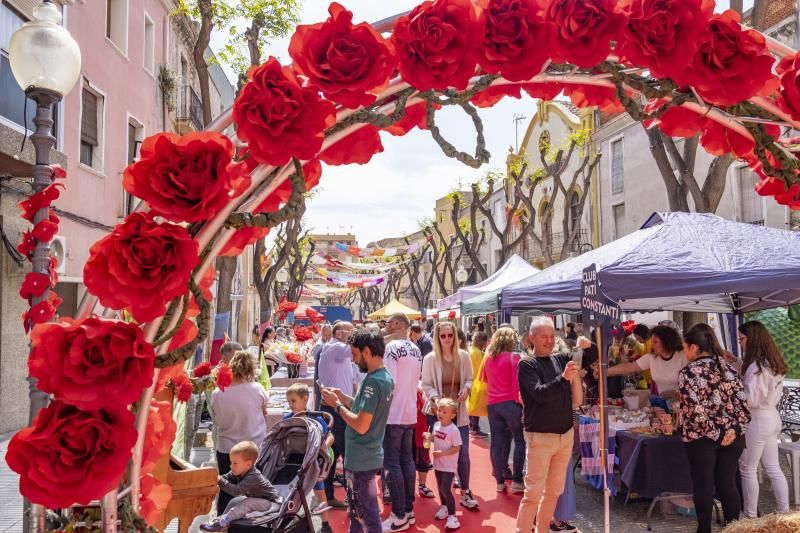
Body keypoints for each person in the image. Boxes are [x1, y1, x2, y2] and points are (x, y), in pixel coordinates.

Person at [679, 324, 750, 533]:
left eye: (684, 347)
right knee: (727, 483)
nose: (684, 352)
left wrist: (717, 434)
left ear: (693, 347)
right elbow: (743, 406)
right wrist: (733, 431)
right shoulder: (729, 368)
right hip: (733, 436)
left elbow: (695, 410)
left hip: (702, 438)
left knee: (703, 486)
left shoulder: (688, 372)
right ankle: (733, 529)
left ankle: (704, 530)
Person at [321, 328, 394, 533]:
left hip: (362, 459)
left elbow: (361, 424)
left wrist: (337, 405)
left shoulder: (373, 381)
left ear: (367, 351)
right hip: (365, 457)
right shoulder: (382, 377)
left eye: (354, 354)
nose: (353, 360)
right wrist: (343, 398)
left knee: (366, 515)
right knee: (358, 513)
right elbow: (366, 409)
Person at [516, 317, 582, 533]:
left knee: (554, 491)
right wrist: (564, 379)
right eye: (544, 336)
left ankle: (543, 529)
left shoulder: (559, 358)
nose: (549, 340)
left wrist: (585, 345)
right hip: (540, 436)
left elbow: (585, 357)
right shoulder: (526, 364)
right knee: (533, 493)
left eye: (552, 336)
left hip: (564, 435)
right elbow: (539, 394)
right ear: (532, 338)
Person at [420, 321, 478, 511]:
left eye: (450, 335)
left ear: (455, 336)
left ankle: (465, 491)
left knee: (463, 452)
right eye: (443, 336)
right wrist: (435, 398)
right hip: (437, 412)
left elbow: (469, 378)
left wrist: (466, 388)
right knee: (441, 454)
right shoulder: (430, 358)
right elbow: (426, 384)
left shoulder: (463, 356)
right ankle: (445, 500)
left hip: (457, 411)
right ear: (437, 337)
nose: (447, 339)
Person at [737, 320, 790, 518]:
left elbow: (750, 399)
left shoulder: (757, 366)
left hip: (758, 419)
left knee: (748, 469)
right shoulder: (771, 361)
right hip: (771, 416)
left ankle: (750, 515)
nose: (740, 342)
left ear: (752, 339)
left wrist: (733, 393)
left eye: (742, 339)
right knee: (773, 468)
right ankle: (784, 512)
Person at [209, 351, 270, 515]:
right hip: (253, 447)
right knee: (256, 488)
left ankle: (222, 522)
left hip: (227, 448)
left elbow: (215, 418)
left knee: (226, 489)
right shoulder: (256, 389)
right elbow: (265, 412)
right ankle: (253, 521)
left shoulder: (217, 393)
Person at [381, 313, 424, 532]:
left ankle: (399, 514)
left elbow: (390, 382)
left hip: (393, 413)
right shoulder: (415, 348)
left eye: (388, 323)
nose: (385, 326)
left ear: (398, 324)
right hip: (409, 412)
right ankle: (407, 510)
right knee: (407, 460)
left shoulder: (391, 348)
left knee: (392, 463)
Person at [284, 383, 335, 533]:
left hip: (314, 464)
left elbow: (330, 437)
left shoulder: (316, 419)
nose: (290, 405)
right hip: (296, 462)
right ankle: (289, 521)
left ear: (305, 399)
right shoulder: (288, 419)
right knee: (292, 494)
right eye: (289, 401)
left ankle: (326, 524)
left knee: (320, 494)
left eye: (293, 401)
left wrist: (321, 449)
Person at [317, 321, 357, 510]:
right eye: (352, 332)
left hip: (338, 407)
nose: (355, 334)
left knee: (333, 454)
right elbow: (360, 345)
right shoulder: (336, 348)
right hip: (335, 409)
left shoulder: (337, 349)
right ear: (340, 334)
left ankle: (329, 495)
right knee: (347, 453)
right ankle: (352, 498)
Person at [200, 440, 282, 532]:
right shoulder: (240, 471)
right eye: (231, 462)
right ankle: (221, 521)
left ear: (248, 464)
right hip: (259, 501)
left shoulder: (253, 476)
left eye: (235, 463)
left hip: (271, 504)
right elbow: (226, 478)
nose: (231, 466)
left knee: (248, 502)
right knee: (234, 502)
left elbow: (236, 491)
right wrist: (214, 479)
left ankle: (224, 522)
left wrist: (219, 480)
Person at [483, 327, 525, 493]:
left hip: (493, 404)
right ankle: (517, 480)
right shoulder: (514, 358)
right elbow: (516, 384)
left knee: (496, 443)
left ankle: (499, 482)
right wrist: (520, 404)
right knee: (519, 441)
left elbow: (485, 380)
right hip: (511, 403)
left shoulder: (488, 358)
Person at [606, 325, 688, 399]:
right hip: (664, 404)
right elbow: (628, 367)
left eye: (656, 342)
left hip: (684, 405)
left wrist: (676, 393)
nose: (652, 345)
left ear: (667, 342)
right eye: (652, 341)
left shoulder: (683, 356)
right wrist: (604, 372)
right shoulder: (651, 357)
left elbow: (692, 384)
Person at [428, 398, 462, 530]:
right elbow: (435, 438)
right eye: (439, 410)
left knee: (445, 489)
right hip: (438, 463)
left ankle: (453, 516)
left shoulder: (454, 430)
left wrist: (442, 453)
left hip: (449, 465)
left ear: (452, 415)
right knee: (440, 487)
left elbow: (457, 448)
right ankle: (444, 507)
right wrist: (429, 437)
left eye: (444, 412)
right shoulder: (436, 425)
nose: (440, 413)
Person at [413, 388, 435, 499]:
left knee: (424, 457)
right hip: (407, 429)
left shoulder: (422, 388)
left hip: (424, 430)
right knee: (406, 459)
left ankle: (422, 485)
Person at [468, 331, 489, 436]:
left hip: (469, 382)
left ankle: (471, 426)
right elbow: (482, 369)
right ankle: (474, 427)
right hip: (477, 382)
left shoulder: (470, 349)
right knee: (476, 406)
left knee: (471, 405)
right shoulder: (478, 353)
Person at [313, 324, 334, 409]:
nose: (328, 337)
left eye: (329, 335)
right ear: (322, 334)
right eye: (325, 335)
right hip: (321, 380)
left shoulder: (332, 345)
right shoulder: (320, 345)